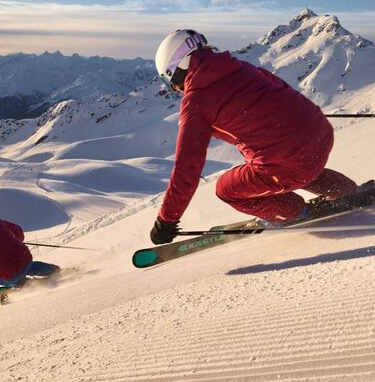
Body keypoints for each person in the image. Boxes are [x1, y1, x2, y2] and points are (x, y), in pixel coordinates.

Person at [150, 29, 358, 245]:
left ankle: (296, 212)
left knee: (226, 189)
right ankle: (347, 191)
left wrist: (166, 220)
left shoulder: (197, 101)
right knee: (295, 160)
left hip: (292, 162)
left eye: (169, 82)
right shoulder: (240, 67)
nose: (175, 89)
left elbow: (187, 168)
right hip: (320, 135)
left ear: (176, 69)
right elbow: (281, 90)